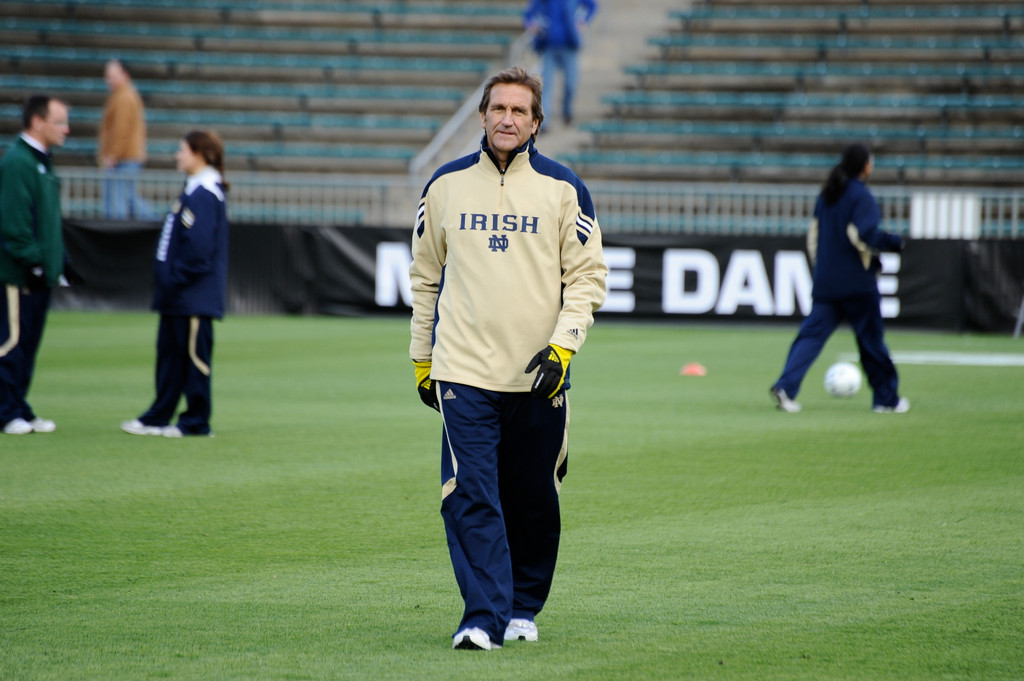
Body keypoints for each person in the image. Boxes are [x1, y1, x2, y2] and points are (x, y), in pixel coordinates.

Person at [409, 66, 607, 651]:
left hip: (539, 378)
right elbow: (424, 280)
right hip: (462, 372)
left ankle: (523, 604)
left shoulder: (565, 189)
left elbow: (588, 278)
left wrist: (563, 347)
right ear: (483, 115)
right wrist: (424, 359)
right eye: (498, 109)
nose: (507, 119)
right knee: (470, 494)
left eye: (520, 111)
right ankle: (482, 617)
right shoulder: (444, 186)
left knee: (533, 499)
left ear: (537, 123)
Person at [770, 143, 909, 414]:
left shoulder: (827, 194)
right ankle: (886, 399)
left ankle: (786, 387)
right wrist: (894, 242)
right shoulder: (861, 196)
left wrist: (823, 268)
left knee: (810, 337)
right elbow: (864, 234)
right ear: (866, 166)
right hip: (857, 283)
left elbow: (813, 237)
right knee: (871, 342)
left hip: (826, 282)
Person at [121, 130, 229, 438]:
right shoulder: (194, 190)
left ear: (200, 154)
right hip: (178, 296)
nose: (176, 155)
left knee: (194, 359)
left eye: (182, 150)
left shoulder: (205, 194)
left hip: (192, 296)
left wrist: (173, 278)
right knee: (170, 358)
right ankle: (159, 415)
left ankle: (196, 421)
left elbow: (199, 251)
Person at [0, 95, 70, 435]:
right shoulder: (18, 162)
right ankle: (5, 410)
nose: (66, 129)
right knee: (11, 341)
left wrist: (58, 261)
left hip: (39, 274)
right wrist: (35, 263)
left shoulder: (41, 161)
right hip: (17, 274)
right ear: (37, 122)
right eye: (59, 122)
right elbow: (14, 223)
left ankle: (18, 406)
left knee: (27, 343)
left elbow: (47, 220)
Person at [523, 0, 598, 127]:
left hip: (569, 45)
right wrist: (532, 25)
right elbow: (529, 15)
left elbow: (592, 6)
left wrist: (583, 21)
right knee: (546, 85)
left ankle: (567, 111)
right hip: (548, 46)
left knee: (570, 84)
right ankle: (545, 122)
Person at [99, 59, 152, 220]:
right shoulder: (122, 95)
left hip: (124, 157)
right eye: (108, 77)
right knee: (128, 197)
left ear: (125, 75)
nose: (109, 81)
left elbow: (121, 130)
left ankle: (117, 234)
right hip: (127, 156)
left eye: (113, 76)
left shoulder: (124, 97)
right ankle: (155, 223)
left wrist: (113, 154)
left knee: (118, 202)